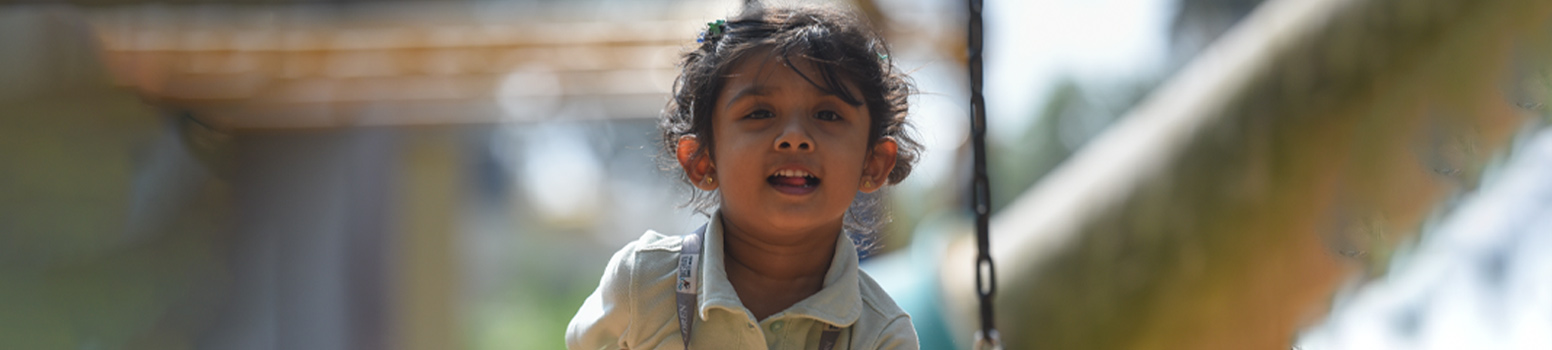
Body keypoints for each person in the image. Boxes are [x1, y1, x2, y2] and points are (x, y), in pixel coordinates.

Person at [567, 2, 922, 349]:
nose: (794, 137)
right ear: (702, 161)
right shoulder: (642, 285)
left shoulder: (879, 335)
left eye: (828, 115)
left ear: (873, 164)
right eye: (760, 113)